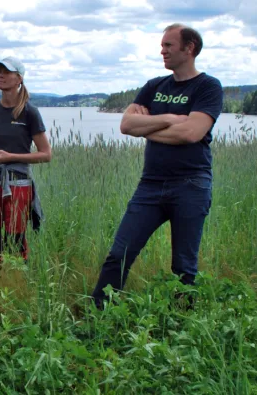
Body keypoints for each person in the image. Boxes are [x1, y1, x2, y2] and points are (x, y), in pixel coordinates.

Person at [91, 24, 223, 309]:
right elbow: (127, 125)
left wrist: (148, 127)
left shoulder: (208, 87)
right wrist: (174, 118)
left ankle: (182, 325)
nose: (162, 51)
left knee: (184, 266)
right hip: (150, 185)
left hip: (191, 184)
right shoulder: (154, 86)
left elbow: (191, 134)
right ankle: (98, 317)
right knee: (120, 254)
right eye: (162, 45)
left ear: (189, 48)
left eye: (168, 46)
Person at [0, 57, 51, 265]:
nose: (1, 76)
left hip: (18, 184)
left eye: (6, 72)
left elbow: (45, 154)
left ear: (19, 79)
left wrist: (10, 157)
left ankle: (16, 284)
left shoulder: (30, 113)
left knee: (15, 240)